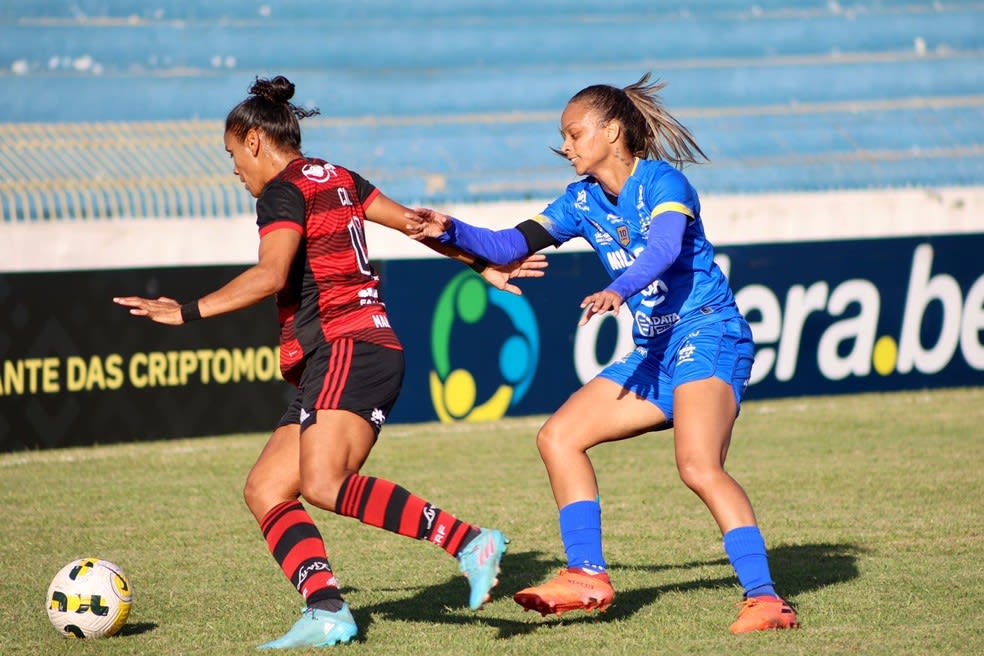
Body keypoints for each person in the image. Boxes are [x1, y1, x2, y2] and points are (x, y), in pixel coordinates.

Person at [113, 75, 545, 649]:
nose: (234, 169)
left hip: (350, 346)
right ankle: (327, 610)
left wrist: (185, 312)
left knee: (322, 481)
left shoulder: (281, 193)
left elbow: (270, 275)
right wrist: (477, 262)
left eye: (232, 154)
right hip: (344, 353)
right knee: (267, 487)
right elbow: (415, 222)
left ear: (254, 141)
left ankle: (468, 541)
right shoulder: (337, 176)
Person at [406, 73, 799, 634]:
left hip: (709, 334)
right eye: (563, 137)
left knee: (697, 465)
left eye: (573, 133)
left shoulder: (663, 182)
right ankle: (587, 575)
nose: (565, 146)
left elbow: (664, 249)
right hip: (656, 349)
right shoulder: (581, 200)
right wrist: (451, 228)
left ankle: (766, 600)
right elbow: (509, 245)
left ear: (612, 131)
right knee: (558, 436)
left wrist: (619, 289)